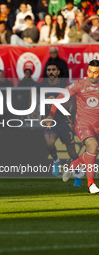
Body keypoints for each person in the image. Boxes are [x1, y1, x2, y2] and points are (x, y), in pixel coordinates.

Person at [45, 60, 99, 194]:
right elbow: (60, 97)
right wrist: (51, 116)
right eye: (90, 72)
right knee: (92, 146)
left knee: (92, 152)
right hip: (83, 124)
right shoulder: (80, 84)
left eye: (96, 73)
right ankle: (91, 184)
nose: (92, 75)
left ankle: (74, 164)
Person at [33, 62, 79, 180]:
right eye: (49, 70)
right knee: (49, 143)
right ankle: (56, 159)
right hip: (48, 119)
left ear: (58, 72)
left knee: (72, 153)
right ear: (47, 72)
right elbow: (32, 95)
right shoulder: (40, 86)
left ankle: (77, 174)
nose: (51, 72)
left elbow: (69, 104)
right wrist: (31, 109)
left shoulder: (65, 86)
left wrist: (57, 103)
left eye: (54, 69)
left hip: (63, 120)